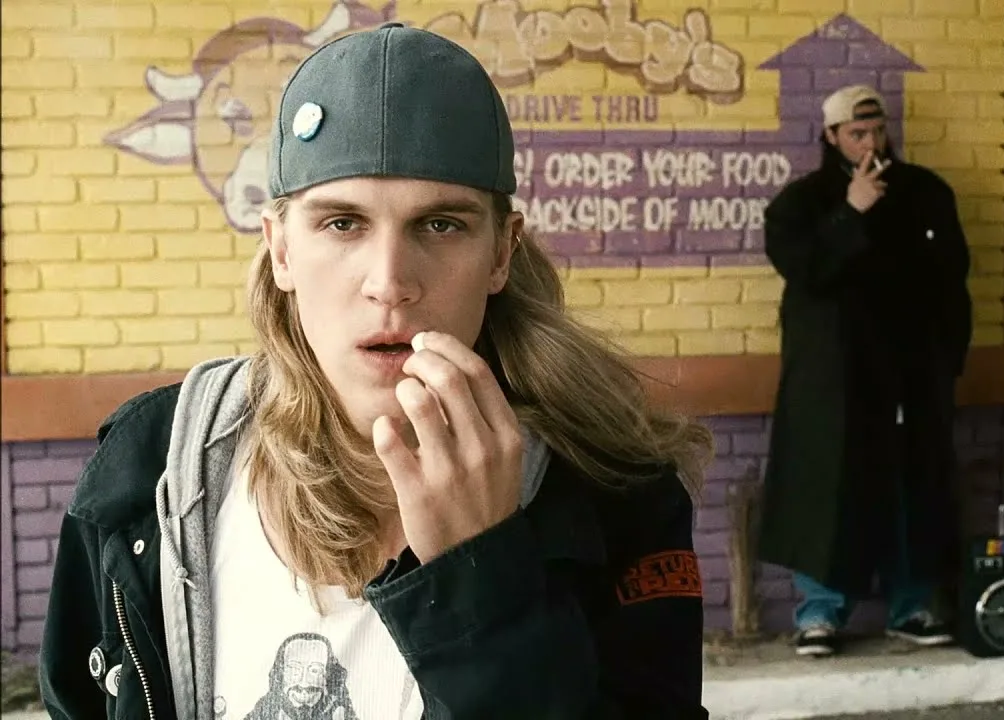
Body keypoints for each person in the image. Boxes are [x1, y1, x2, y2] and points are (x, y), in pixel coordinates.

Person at [39, 23, 714, 719]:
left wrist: (482, 581)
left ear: (501, 254)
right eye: (342, 224)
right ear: (281, 250)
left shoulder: (615, 491)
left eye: (441, 225)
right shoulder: (154, 468)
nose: (389, 283)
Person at [756, 85, 974, 658]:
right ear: (831, 136)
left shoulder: (925, 193)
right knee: (826, 491)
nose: (871, 144)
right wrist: (850, 212)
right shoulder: (799, 205)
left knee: (911, 489)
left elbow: (952, 281)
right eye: (856, 134)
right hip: (834, 379)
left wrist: (947, 361)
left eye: (877, 131)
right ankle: (820, 613)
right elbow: (807, 271)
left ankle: (912, 607)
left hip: (910, 375)